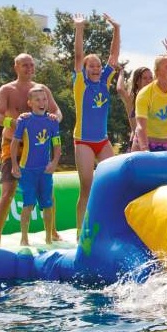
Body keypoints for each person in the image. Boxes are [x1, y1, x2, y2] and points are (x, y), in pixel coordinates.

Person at [0, 53, 62, 239]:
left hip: (38, 146)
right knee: (8, 191)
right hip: (13, 144)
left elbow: (56, 111)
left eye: (32, 65)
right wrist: (14, 123)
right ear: (16, 67)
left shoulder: (41, 89)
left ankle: (52, 231)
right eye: (25, 65)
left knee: (48, 191)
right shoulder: (7, 89)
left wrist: (55, 119)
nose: (29, 69)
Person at [70, 13, 121, 230]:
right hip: (83, 141)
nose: (96, 68)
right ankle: (81, 231)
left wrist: (116, 29)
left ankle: (109, 226)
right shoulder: (81, 84)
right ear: (84, 68)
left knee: (114, 182)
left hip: (102, 140)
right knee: (87, 187)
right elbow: (79, 54)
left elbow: (114, 55)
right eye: (91, 66)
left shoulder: (104, 81)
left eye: (98, 65)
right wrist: (79, 28)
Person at [8, 85, 62, 246]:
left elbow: (57, 145)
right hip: (27, 170)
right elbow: (15, 143)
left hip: (45, 170)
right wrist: (14, 165)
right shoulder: (24, 120)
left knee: (48, 204)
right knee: (28, 204)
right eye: (37, 99)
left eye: (44, 99)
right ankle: (24, 237)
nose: (42, 102)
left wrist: (54, 162)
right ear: (30, 103)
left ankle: (48, 238)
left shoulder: (52, 121)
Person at [116, 64, 154, 151]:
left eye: (151, 78)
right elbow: (120, 89)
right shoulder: (132, 98)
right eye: (144, 78)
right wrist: (121, 72)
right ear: (137, 81)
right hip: (137, 141)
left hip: (155, 140)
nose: (149, 81)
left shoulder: (155, 97)